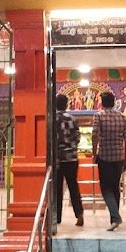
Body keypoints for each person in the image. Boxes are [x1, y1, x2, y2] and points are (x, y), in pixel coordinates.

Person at [91, 91, 126, 230]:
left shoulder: (98, 115)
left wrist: (94, 153)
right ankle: (114, 218)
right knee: (115, 187)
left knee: (106, 188)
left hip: (105, 156)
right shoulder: (121, 116)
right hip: (119, 156)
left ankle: (116, 217)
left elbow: (95, 135)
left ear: (102, 102)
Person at [54, 94, 84, 227]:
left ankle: (57, 217)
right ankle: (79, 214)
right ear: (66, 104)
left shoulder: (52, 118)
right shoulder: (72, 118)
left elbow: (51, 139)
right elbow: (77, 137)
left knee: (57, 189)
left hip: (58, 159)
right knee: (73, 186)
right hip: (72, 158)